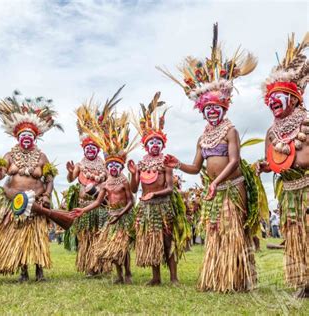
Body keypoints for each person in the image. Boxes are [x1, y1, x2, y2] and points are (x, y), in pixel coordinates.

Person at [158, 23, 265, 292]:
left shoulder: (231, 130)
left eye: (216, 108)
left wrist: (216, 182)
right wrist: (177, 164)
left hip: (231, 186)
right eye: (208, 110)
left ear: (223, 107)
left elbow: (234, 162)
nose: (213, 113)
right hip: (215, 189)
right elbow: (195, 168)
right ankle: (218, 277)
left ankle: (240, 280)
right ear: (203, 112)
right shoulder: (202, 138)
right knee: (216, 229)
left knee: (233, 229)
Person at [0, 90, 62, 282]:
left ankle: (40, 271)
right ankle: (23, 272)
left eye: (29, 136)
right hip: (15, 201)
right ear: (17, 137)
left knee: (36, 237)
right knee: (18, 237)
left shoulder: (42, 157)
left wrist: (47, 196)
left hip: (36, 202)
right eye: (22, 135)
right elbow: (1, 173)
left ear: (34, 138)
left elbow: (49, 179)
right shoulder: (9, 156)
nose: (26, 138)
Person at [256, 32, 308, 298]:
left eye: (280, 97)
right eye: (271, 98)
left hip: (307, 188)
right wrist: (267, 167)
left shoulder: (305, 123)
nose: (273, 102)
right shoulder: (271, 131)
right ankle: (304, 283)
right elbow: (272, 161)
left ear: (295, 99)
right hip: (288, 191)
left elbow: (305, 158)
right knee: (295, 236)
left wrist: (288, 157)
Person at [72, 92, 137, 284]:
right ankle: (106, 270)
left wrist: (121, 212)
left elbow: (130, 198)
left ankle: (125, 273)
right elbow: (96, 197)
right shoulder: (91, 172)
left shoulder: (117, 176)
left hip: (115, 214)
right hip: (103, 211)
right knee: (104, 241)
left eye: (117, 166)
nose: (114, 168)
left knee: (119, 244)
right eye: (111, 166)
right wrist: (82, 209)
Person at [127, 92, 190, 285]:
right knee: (152, 242)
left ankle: (173, 277)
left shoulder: (166, 162)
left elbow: (170, 188)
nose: (155, 145)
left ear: (162, 145)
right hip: (146, 209)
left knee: (167, 241)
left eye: (158, 142)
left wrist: (155, 193)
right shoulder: (142, 163)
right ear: (146, 146)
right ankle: (155, 278)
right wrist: (134, 174)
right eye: (151, 142)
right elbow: (134, 188)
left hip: (163, 207)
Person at [65, 90, 121, 276]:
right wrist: (68, 171)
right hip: (84, 205)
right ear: (84, 148)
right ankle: (90, 267)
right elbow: (71, 179)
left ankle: (101, 266)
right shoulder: (80, 164)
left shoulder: (104, 165)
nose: (90, 150)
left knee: (99, 234)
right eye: (87, 147)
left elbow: (110, 181)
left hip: (101, 205)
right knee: (86, 236)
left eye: (93, 147)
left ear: (97, 149)